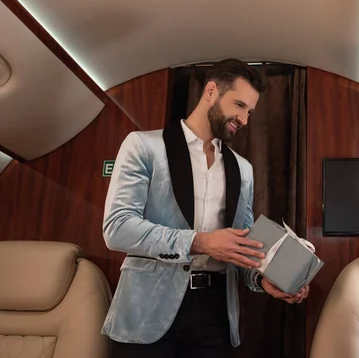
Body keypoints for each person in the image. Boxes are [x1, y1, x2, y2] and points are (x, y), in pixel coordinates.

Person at [101, 59, 309, 358]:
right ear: (211, 91)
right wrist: (199, 242)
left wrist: (264, 280)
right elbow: (117, 228)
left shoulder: (243, 169)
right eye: (238, 105)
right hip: (146, 311)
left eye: (250, 112)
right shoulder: (142, 146)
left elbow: (241, 247)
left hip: (215, 315)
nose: (244, 119)